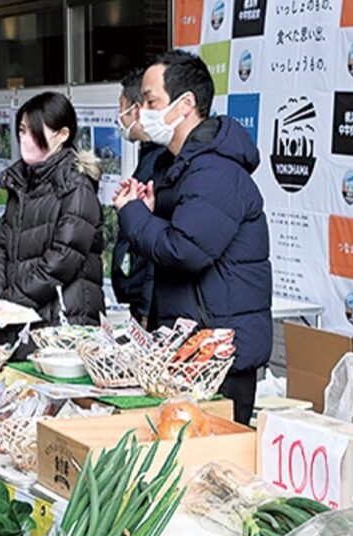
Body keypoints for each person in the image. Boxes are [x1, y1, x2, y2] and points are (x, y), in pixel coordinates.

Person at [113, 50, 272, 425]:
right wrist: (152, 213)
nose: (141, 112)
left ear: (186, 105)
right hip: (190, 349)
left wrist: (132, 214)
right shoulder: (180, 165)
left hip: (217, 357)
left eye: (151, 101)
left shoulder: (215, 170)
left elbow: (184, 250)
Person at [0, 91, 104, 346]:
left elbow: (62, 260)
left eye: (34, 131)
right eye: (22, 130)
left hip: (62, 322)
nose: (25, 138)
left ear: (63, 134)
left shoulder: (76, 186)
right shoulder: (22, 182)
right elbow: (1, 246)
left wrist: (9, 303)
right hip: (18, 318)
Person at [111, 67, 166, 324]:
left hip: (151, 303)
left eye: (122, 108)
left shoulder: (160, 162)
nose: (120, 118)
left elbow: (153, 240)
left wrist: (145, 306)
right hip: (140, 298)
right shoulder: (149, 157)